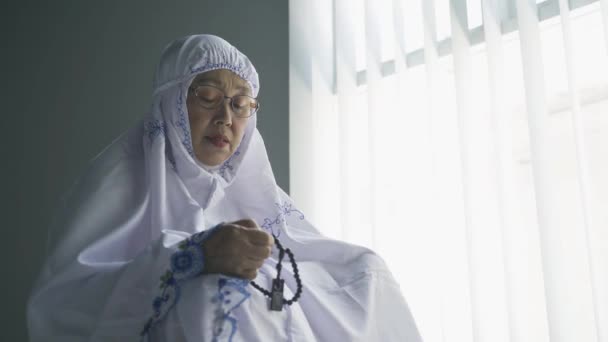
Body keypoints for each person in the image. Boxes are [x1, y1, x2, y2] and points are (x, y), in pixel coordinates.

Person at [27, 34, 421, 341]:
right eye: (209, 97)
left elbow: (304, 258)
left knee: (367, 272)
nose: (225, 118)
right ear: (173, 103)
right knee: (218, 291)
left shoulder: (257, 191)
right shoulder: (120, 179)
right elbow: (67, 304)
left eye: (241, 104)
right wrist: (194, 254)